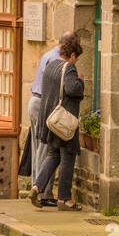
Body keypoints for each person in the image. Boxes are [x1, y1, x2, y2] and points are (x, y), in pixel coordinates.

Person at [31, 32, 85, 211]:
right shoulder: (68, 68)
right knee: (67, 157)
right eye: (76, 58)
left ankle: (37, 187)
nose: (75, 61)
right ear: (72, 55)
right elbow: (72, 89)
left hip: (50, 119)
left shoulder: (51, 64)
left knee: (53, 155)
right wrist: (80, 81)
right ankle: (64, 199)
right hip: (63, 121)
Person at [26, 32, 74, 193]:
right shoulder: (57, 60)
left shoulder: (49, 54)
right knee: (46, 149)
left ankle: (36, 187)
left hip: (36, 100)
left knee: (38, 147)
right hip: (43, 103)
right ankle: (42, 192)